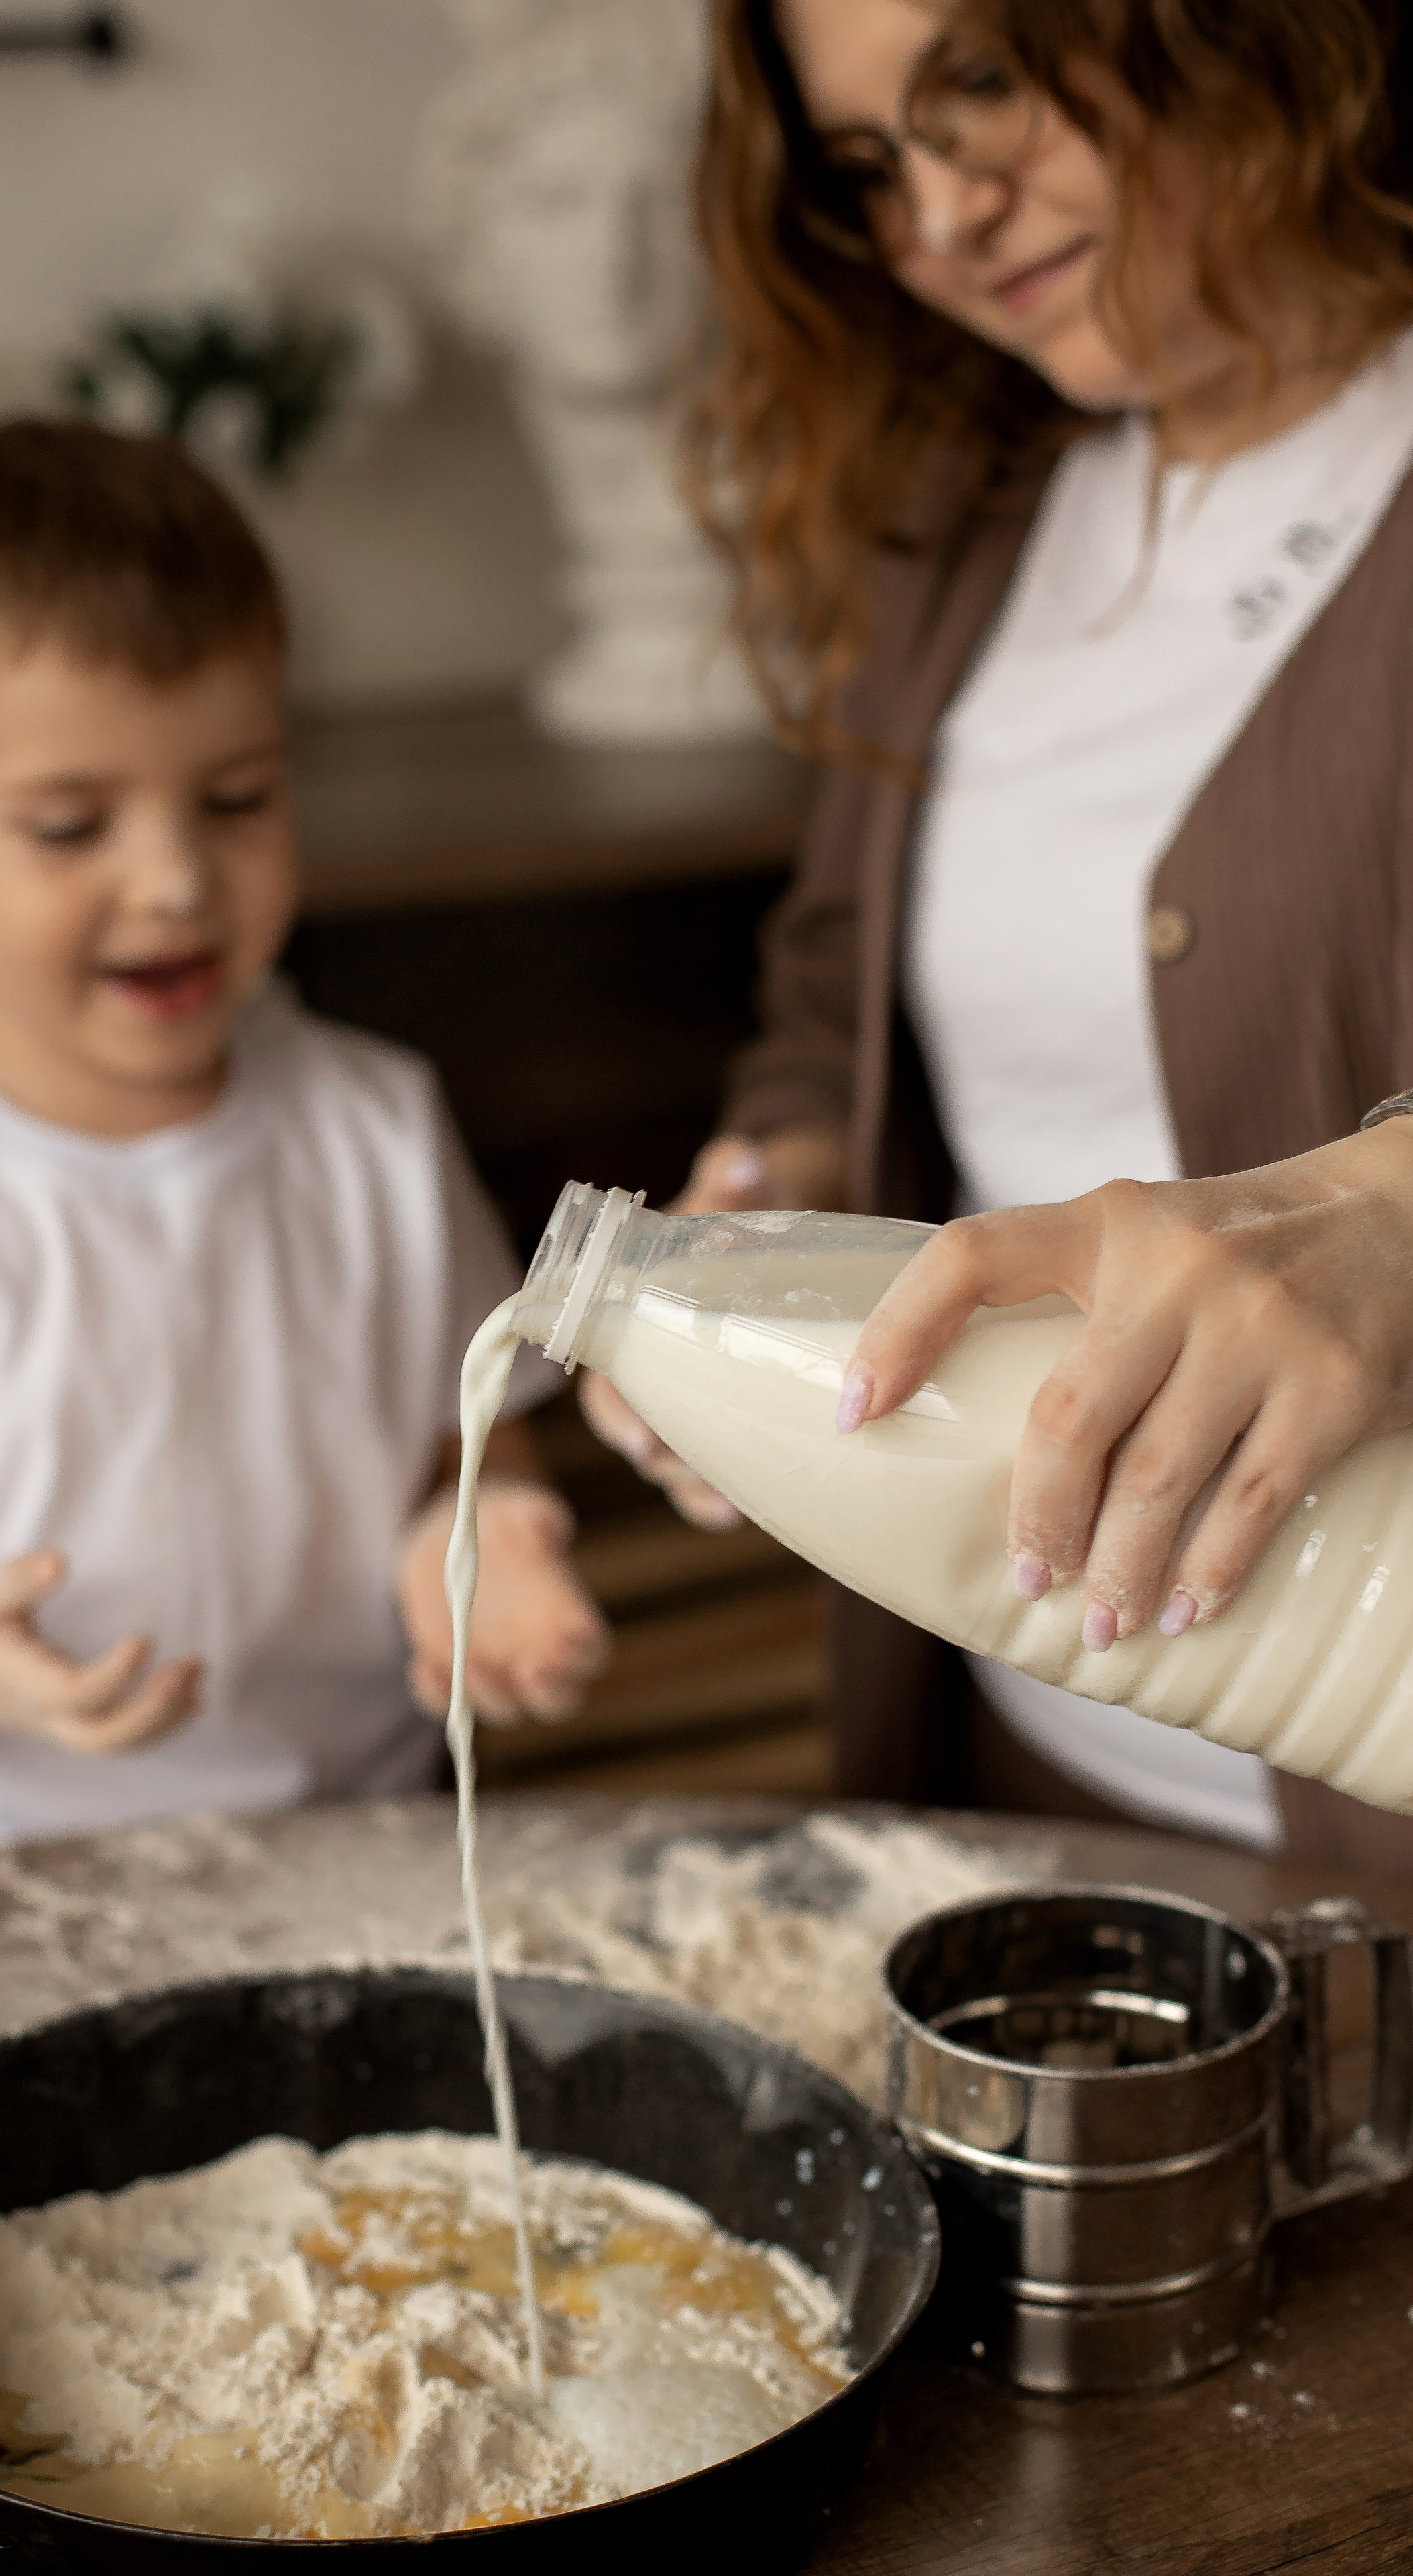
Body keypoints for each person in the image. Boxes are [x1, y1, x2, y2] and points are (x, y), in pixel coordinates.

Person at [583, 0, 1413, 1868]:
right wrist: (783, 1191)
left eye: (982, 85)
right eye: (868, 165)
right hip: (1031, 1760)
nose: (944, 215)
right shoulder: (965, 517)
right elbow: (834, 993)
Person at [0, 417, 608, 1874]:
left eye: (237, 800)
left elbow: (474, 1445)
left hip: (344, 1840)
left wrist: (485, 1539)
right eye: (71, 827)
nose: (177, 879)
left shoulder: (377, 1122)